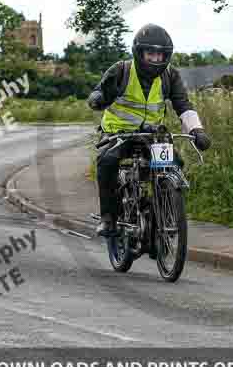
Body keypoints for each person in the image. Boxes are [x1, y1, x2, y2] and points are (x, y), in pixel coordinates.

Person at [87, 23, 212, 237]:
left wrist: (197, 130)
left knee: (175, 164)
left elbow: (183, 105)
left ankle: (162, 214)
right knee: (107, 163)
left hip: (152, 136)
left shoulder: (170, 76)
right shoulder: (121, 70)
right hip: (119, 134)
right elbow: (98, 96)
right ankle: (109, 218)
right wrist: (100, 98)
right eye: (150, 54)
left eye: (160, 55)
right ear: (139, 52)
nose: (155, 59)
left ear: (167, 56)